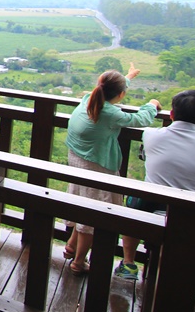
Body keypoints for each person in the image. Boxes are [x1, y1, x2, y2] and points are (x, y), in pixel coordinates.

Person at [114, 90, 195, 299]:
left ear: (172, 115)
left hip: (150, 211)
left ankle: (129, 263)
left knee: (133, 203)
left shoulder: (151, 135)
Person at [64, 63, 161, 274]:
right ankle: (78, 262)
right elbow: (140, 119)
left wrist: (128, 77)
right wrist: (152, 105)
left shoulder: (89, 99)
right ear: (121, 94)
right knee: (91, 216)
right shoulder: (109, 113)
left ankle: (71, 246)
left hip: (78, 160)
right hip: (95, 166)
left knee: (82, 203)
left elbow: (107, 85)